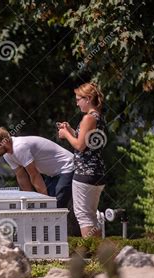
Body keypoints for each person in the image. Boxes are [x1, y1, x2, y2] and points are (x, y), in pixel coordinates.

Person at [0, 127, 74, 208]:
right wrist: (29, 199)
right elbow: (21, 176)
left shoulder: (19, 147)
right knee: (48, 206)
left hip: (67, 166)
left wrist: (43, 201)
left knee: (54, 206)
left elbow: (34, 175)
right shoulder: (7, 154)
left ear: (4, 142)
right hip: (53, 174)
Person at [58, 82, 106, 237]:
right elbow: (86, 142)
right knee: (91, 216)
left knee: (84, 216)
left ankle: (93, 256)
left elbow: (79, 146)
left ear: (88, 98)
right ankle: (100, 255)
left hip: (84, 172)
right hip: (96, 172)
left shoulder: (88, 118)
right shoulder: (98, 117)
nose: (76, 103)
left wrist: (66, 135)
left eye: (79, 99)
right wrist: (71, 130)